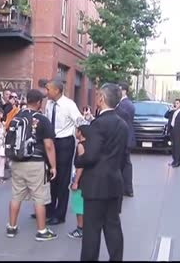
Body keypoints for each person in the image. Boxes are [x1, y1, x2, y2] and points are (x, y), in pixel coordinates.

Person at [74, 83, 128, 261]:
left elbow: (90, 157)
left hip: (96, 184)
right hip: (114, 182)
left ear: (102, 99)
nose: (96, 98)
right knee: (113, 227)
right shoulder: (122, 124)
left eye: (98, 95)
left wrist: (79, 153)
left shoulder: (98, 124)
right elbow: (122, 157)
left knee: (92, 231)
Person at [6, 89, 58, 241]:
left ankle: (11, 227)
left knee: (16, 195)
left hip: (17, 161)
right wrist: (53, 166)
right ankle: (42, 231)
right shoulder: (43, 120)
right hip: (36, 163)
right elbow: (49, 145)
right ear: (39, 102)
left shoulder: (17, 116)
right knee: (39, 197)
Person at [43, 76, 83, 225]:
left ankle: (60, 215)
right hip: (51, 142)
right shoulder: (48, 104)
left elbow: (79, 120)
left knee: (62, 179)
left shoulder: (69, 104)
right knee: (50, 177)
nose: (46, 92)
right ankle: (49, 210)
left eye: (48, 89)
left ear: (57, 90)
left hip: (65, 143)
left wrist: (82, 138)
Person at [67, 125, 92, 239]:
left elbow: (80, 165)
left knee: (78, 205)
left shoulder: (81, 146)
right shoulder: (91, 144)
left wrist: (76, 181)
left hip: (81, 179)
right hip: (88, 178)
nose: (75, 132)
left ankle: (80, 228)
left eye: (76, 131)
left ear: (80, 133)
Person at [115, 82, 136, 197]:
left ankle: (126, 188)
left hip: (124, 138)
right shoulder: (127, 103)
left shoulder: (124, 105)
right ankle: (127, 188)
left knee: (124, 164)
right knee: (126, 163)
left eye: (119, 89)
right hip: (127, 138)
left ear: (124, 91)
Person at [164, 98, 180, 168]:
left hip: (179, 132)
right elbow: (165, 116)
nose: (176, 105)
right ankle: (174, 160)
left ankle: (177, 162)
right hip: (172, 130)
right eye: (175, 103)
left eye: (177, 103)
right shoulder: (172, 112)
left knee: (177, 147)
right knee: (173, 146)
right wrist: (170, 109)